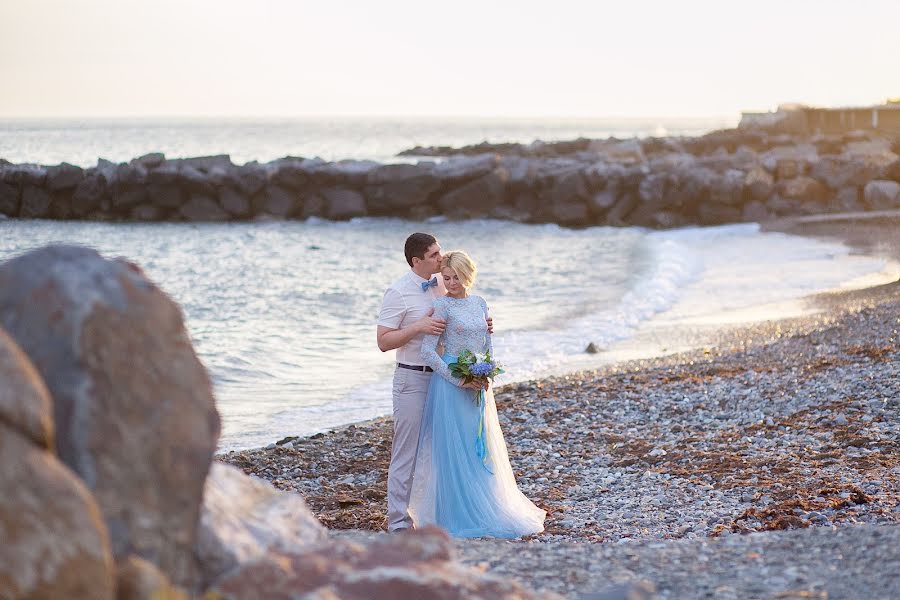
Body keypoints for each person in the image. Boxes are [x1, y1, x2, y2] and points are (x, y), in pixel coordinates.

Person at [408, 250, 545, 538]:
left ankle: (488, 504)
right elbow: (428, 352)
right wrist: (458, 381)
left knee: (477, 443)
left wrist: (486, 374)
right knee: (453, 449)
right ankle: (455, 513)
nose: (451, 283)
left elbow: (486, 344)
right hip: (451, 386)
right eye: (446, 278)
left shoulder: (480, 303)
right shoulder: (442, 307)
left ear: (467, 276)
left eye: (456, 277)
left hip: (478, 382)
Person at [376, 233, 492, 532]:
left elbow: (463, 315)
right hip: (412, 377)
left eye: (440, 252)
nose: (441, 258)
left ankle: (439, 514)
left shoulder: (444, 282)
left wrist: (482, 324)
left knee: (444, 449)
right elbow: (383, 342)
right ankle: (399, 524)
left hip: (444, 383)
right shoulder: (398, 292)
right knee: (407, 452)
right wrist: (418, 326)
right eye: (434, 255)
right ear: (417, 261)